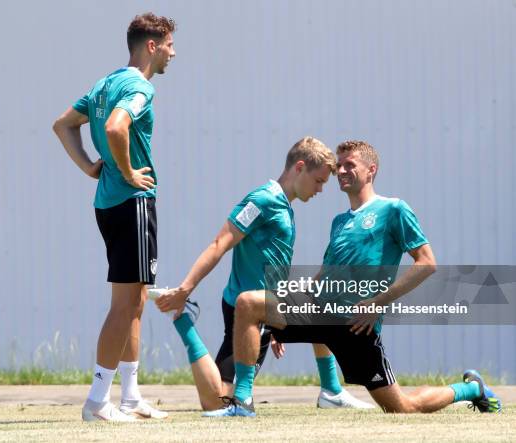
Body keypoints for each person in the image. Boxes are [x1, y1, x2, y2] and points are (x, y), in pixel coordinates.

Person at [219, 140, 502, 417]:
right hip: (320, 312)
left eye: (349, 165)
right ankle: (243, 403)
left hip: (357, 327)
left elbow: (426, 263)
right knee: (250, 303)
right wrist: (275, 316)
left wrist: (378, 303)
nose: (340, 171)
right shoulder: (339, 221)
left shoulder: (394, 210)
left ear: (371, 170)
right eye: (338, 166)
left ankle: (472, 389)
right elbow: (324, 276)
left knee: (402, 408)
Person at [156, 137, 370, 411]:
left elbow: (272, 263)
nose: (320, 190)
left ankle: (330, 389)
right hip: (244, 310)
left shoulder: (284, 206)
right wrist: (185, 289)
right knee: (215, 401)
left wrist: (278, 322)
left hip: (265, 310)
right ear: (299, 168)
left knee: (320, 299)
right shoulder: (262, 200)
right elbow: (219, 243)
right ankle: (185, 322)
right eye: (318, 181)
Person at [52, 12, 176, 422]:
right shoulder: (139, 86)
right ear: (152, 46)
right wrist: (125, 171)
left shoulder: (106, 82)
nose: (174, 54)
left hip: (109, 204)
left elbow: (63, 125)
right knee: (124, 307)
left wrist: (91, 165)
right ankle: (96, 402)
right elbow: (118, 127)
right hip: (132, 202)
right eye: (170, 45)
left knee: (136, 302)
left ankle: (130, 397)